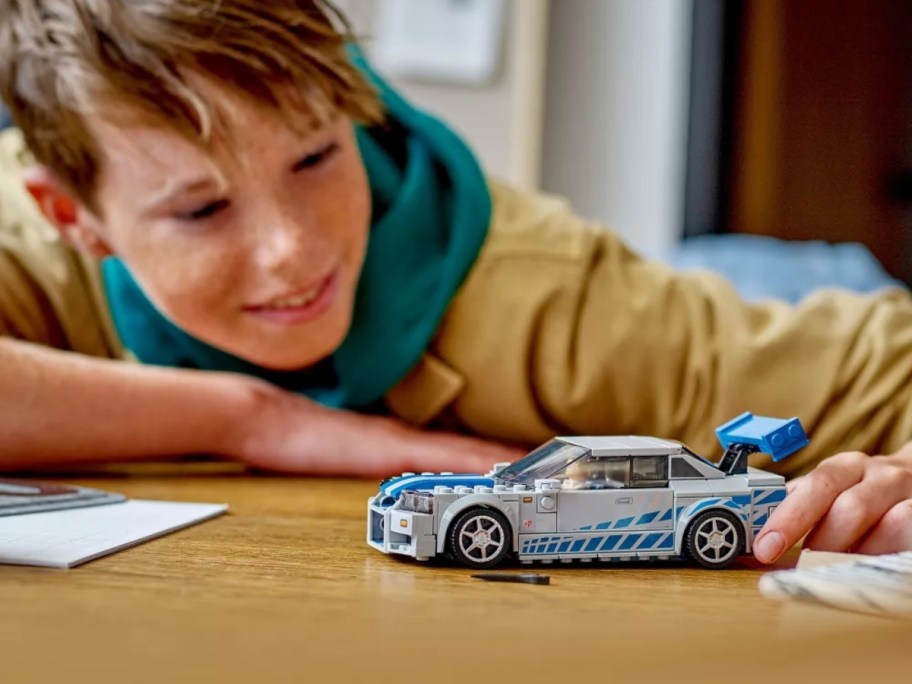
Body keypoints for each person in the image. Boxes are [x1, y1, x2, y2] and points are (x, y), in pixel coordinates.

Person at [0, 0, 910, 564]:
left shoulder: (556, 306)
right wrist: (256, 415)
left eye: (317, 157)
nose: (291, 251)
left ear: (353, 101)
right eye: (201, 211)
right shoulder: (35, 214)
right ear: (73, 216)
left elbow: (891, 368)